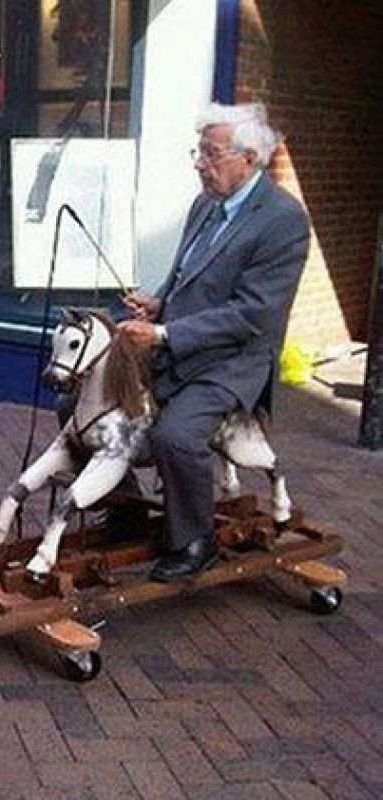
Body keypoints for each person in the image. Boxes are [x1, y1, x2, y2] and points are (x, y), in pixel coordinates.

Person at [119, 102, 309, 583]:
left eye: (210, 154)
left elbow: (253, 314)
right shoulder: (206, 204)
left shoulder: (283, 220)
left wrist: (165, 333)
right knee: (80, 408)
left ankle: (194, 542)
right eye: (199, 152)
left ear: (249, 158)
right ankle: (125, 512)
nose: (200, 164)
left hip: (233, 361)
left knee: (176, 436)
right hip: (180, 344)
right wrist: (159, 305)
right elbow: (187, 275)